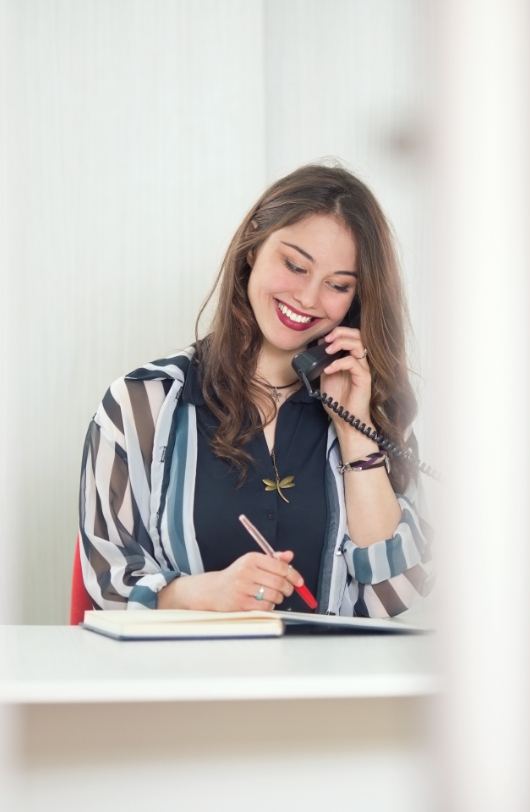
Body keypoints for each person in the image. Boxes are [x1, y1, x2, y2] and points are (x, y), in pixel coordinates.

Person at [78, 163, 433, 617]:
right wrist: (200, 594)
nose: (307, 298)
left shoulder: (372, 411)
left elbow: (395, 590)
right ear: (252, 249)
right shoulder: (140, 405)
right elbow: (108, 583)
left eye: (338, 285)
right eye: (294, 265)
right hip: (186, 680)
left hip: (328, 683)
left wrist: (355, 432)